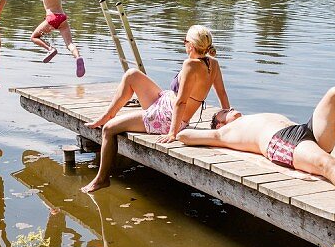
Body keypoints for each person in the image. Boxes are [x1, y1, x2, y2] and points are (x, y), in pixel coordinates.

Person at [177, 85, 335, 207]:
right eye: (224, 112)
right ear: (219, 121)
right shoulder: (222, 133)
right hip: (281, 141)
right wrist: (178, 130)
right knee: (327, 163)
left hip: (303, 131)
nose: (229, 109)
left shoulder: (250, 117)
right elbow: (185, 136)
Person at [80, 25, 235, 193]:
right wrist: (227, 116)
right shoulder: (213, 64)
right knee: (132, 74)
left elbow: (181, 102)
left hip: (166, 118)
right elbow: (222, 93)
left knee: (109, 130)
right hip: (166, 102)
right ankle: (107, 114)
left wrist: (172, 133)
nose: (184, 45)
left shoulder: (190, 65)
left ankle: (102, 179)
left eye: (185, 41)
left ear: (191, 45)